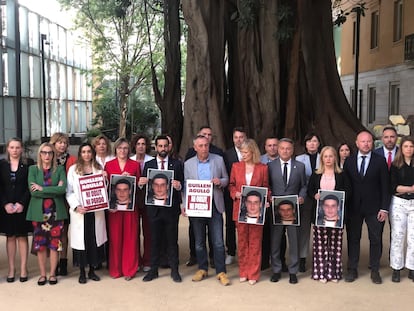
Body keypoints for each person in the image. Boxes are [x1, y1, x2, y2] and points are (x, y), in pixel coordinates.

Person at [343, 130, 391, 284]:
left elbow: (386, 186)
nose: (366, 144)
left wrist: (384, 208)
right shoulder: (349, 161)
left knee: (375, 239)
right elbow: (346, 185)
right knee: (353, 238)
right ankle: (352, 268)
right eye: (362, 141)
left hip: (374, 208)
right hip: (353, 207)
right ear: (357, 143)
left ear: (373, 143)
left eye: (369, 141)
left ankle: (375, 270)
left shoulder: (380, 161)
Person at [184, 135, 230, 286]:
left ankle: (221, 271)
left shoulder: (218, 160)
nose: (204, 148)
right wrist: (185, 204)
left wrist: (220, 182)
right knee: (199, 242)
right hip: (197, 207)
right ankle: (202, 268)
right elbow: (185, 186)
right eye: (201, 146)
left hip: (214, 206)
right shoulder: (188, 164)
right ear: (195, 147)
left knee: (217, 242)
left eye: (206, 145)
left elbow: (226, 179)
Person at [139, 135, 184, 283]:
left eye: (165, 146)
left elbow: (182, 184)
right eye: (160, 146)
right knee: (154, 240)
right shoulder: (149, 164)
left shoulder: (176, 164)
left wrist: (179, 186)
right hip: (154, 210)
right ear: (155, 147)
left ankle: (174, 270)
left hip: (171, 210)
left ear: (169, 147)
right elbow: (142, 186)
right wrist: (141, 182)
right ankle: (153, 270)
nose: (163, 149)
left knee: (172, 240)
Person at [308, 146, 351, 283]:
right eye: (325, 156)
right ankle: (320, 273)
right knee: (320, 245)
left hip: (337, 215)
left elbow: (348, 191)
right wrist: (315, 195)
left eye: (331, 156)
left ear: (335, 158)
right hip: (320, 215)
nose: (328, 159)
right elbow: (310, 190)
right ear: (322, 159)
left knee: (335, 245)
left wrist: (341, 198)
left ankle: (334, 273)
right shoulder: (316, 174)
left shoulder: (342, 174)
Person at [229, 138, 269, 285]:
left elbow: (266, 188)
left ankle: (253, 273)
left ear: (253, 152)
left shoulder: (263, 168)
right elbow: (231, 185)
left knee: (255, 242)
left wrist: (266, 200)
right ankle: (243, 271)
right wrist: (235, 194)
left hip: (256, 210)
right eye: (241, 152)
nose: (243, 155)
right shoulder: (236, 166)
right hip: (239, 209)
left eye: (245, 152)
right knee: (242, 241)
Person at [26, 143, 68, 285]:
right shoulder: (33, 170)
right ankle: (43, 274)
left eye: (50, 153)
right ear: (40, 154)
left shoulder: (60, 169)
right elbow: (33, 192)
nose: (47, 155)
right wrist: (53, 189)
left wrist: (42, 189)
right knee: (41, 245)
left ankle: (52, 274)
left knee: (55, 245)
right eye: (44, 152)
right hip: (39, 213)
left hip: (56, 213)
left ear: (53, 154)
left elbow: (62, 190)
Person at [66, 143, 107, 284]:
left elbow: (104, 190)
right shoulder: (73, 170)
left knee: (93, 241)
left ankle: (92, 271)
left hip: (95, 211)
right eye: (83, 152)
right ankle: (82, 272)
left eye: (89, 151)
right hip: (81, 212)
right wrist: (76, 206)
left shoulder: (98, 168)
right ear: (80, 154)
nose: (86, 154)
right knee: (81, 242)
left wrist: (105, 178)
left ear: (92, 153)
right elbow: (69, 191)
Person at [268, 138, 307, 284]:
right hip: (276, 210)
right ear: (278, 149)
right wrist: (270, 196)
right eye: (282, 148)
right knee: (276, 241)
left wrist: (302, 197)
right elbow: (268, 185)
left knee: (294, 241)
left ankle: (293, 271)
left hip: (293, 211)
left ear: (292, 150)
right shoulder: (270, 166)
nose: (285, 151)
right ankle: (276, 270)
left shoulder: (300, 166)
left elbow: (304, 185)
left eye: (288, 149)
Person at [104, 137, 140, 280]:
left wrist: (133, 180)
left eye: (125, 148)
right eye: (120, 148)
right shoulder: (109, 165)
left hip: (130, 207)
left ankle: (129, 270)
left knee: (131, 238)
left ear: (129, 150)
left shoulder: (135, 165)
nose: (122, 151)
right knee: (115, 238)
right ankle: (116, 269)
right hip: (114, 209)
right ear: (115, 149)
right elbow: (105, 187)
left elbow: (138, 187)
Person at [0, 138, 34, 283]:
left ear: (21, 149)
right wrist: (5, 204)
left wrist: (22, 203)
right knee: (10, 237)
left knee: (22, 236)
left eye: (17, 147)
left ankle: (23, 269)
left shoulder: (28, 164)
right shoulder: (1, 165)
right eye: (12, 147)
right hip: (6, 208)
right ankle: (12, 269)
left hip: (22, 207)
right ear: (7, 149)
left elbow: (30, 186)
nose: (14, 150)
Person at [50, 132, 77, 276]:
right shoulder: (47, 158)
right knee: (52, 232)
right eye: (59, 142)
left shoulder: (72, 160)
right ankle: (53, 263)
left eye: (65, 143)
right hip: (51, 201)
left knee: (64, 232)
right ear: (53, 143)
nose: (62, 145)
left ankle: (64, 261)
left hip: (66, 201)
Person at [295, 133, 321, 272]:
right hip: (305, 198)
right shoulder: (299, 159)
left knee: (320, 229)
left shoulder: (324, 157)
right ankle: (302, 258)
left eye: (315, 141)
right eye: (309, 141)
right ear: (305, 144)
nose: (312, 143)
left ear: (318, 143)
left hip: (321, 199)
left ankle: (320, 258)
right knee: (304, 229)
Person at [389, 136, 414, 282]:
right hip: (399, 203)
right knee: (398, 236)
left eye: (411, 146)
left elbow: (399, 188)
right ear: (401, 149)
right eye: (406, 146)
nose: (409, 149)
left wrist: (404, 189)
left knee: (413, 237)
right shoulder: (396, 165)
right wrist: (410, 188)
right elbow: (394, 187)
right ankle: (396, 268)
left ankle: (411, 267)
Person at [224, 127, 247, 265]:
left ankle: (246, 253)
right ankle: (231, 251)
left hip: (249, 196)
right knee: (230, 224)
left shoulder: (251, 153)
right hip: (231, 195)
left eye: (241, 137)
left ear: (245, 138)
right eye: (236, 137)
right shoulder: (227, 155)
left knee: (247, 223)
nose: (238, 140)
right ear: (233, 139)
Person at [130, 134, 153, 272]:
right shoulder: (129, 160)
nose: (141, 146)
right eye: (138, 144)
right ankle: (136, 260)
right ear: (134, 146)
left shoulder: (152, 161)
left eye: (143, 144)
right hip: (132, 200)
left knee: (148, 231)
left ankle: (148, 260)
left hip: (148, 200)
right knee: (134, 232)